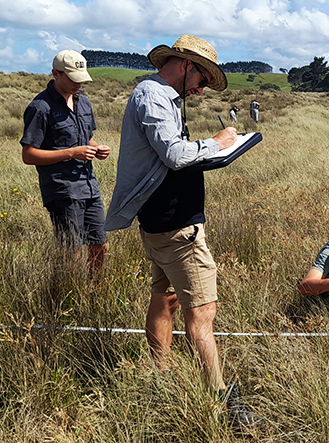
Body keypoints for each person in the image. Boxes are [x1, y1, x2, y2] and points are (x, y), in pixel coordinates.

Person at [103, 35, 259, 430]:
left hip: (164, 220)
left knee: (166, 297)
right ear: (185, 64)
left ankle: (161, 377)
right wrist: (219, 142)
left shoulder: (159, 96)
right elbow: (174, 155)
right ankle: (222, 402)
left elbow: (169, 152)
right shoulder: (153, 95)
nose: (202, 88)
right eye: (202, 78)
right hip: (176, 225)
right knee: (202, 311)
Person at [20, 50, 111, 278]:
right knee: (71, 251)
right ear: (55, 74)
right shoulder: (40, 108)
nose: (78, 84)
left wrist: (96, 148)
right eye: (72, 79)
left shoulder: (84, 103)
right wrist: (72, 153)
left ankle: (94, 294)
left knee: (101, 245)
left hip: (89, 186)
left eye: (81, 79)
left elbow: (86, 138)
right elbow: (29, 155)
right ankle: (70, 294)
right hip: (62, 189)